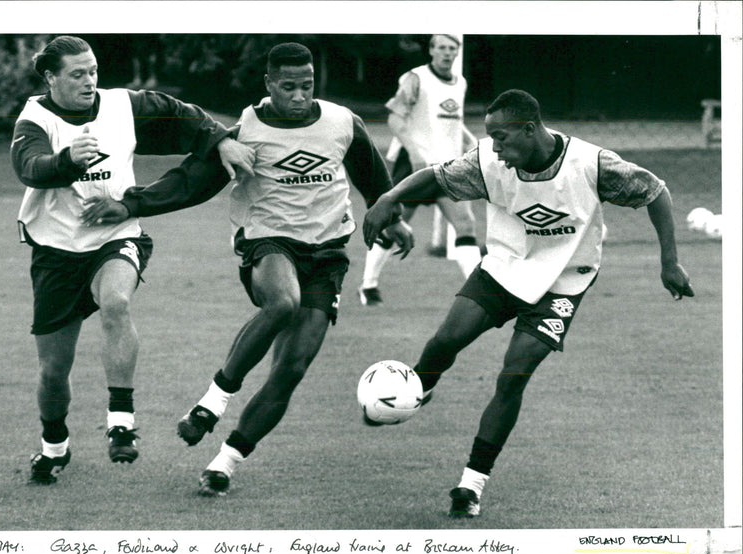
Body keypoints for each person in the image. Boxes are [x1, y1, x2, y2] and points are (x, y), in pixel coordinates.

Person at [81, 42, 413, 496]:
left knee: (291, 368)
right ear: (269, 84)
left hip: (328, 254)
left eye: (307, 85)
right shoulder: (247, 132)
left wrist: (393, 220)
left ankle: (225, 462)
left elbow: (376, 183)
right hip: (268, 241)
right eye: (289, 87)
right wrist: (130, 204)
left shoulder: (343, 124)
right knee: (283, 303)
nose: (299, 96)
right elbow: (193, 181)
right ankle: (211, 403)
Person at [363, 89, 694, 518]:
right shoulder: (486, 161)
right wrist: (390, 198)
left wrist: (669, 262)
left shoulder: (592, 165)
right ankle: (412, 393)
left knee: (512, 374)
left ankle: (471, 484)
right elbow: (434, 176)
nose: (495, 148)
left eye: (502, 137)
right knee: (446, 339)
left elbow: (655, 192)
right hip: (504, 266)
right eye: (491, 138)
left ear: (531, 129)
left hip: (564, 281)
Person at [11, 35, 255, 485]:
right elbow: (29, 166)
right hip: (55, 252)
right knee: (52, 373)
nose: (89, 82)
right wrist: (65, 159)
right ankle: (54, 446)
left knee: (117, 303)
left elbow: (182, 115)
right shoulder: (35, 119)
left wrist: (219, 140)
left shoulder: (121, 105)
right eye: (77, 74)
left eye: (93, 71)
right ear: (50, 78)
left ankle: (121, 421)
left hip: (115, 236)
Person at [359, 34, 481, 307]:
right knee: (393, 228)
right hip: (414, 168)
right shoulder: (415, 79)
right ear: (432, 50)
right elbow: (395, 118)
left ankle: (476, 293)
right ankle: (368, 286)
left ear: (457, 52)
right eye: (442, 48)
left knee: (465, 223)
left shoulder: (460, 82)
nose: (447, 53)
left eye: (452, 48)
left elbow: (452, 122)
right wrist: (415, 153)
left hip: (447, 168)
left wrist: (471, 143)